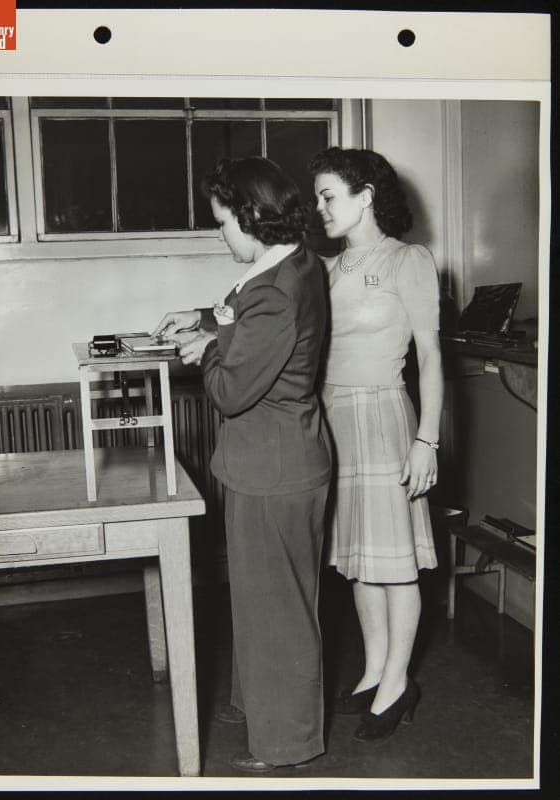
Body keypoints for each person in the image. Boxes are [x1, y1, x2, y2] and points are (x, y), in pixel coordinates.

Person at [153, 157, 332, 773]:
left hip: (273, 468)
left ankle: (287, 744)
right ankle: (263, 708)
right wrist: (201, 318)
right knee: (264, 601)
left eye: (223, 222)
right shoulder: (289, 263)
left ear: (252, 218)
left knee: (279, 608)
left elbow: (230, 391)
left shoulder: (277, 290)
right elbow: (245, 320)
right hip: (274, 460)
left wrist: (202, 351)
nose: (219, 233)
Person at [309, 147, 443, 742]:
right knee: (361, 560)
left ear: (365, 196)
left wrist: (427, 440)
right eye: (317, 197)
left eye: (328, 195)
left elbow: (432, 358)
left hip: (385, 417)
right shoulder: (326, 268)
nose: (320, 207)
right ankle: (372, 671)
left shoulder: (407, 260)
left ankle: (399, 682)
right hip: (335, 418)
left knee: (395, 562)